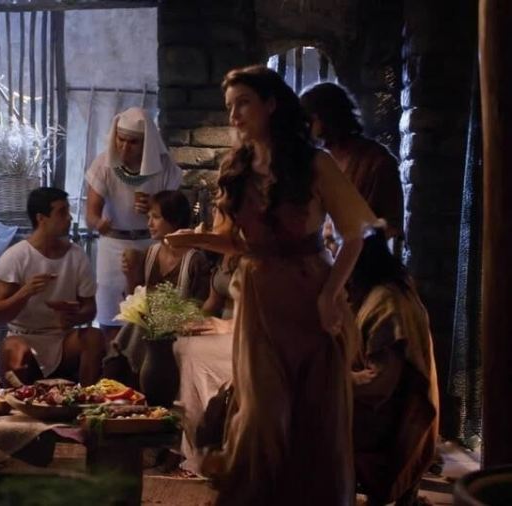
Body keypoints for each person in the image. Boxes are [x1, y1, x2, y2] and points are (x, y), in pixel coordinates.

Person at [170, 65, 376, 505]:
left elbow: (355, 235)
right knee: (262, 414)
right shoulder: (237, 168)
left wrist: (330, 294)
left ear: (271, 104)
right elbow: (236, 242)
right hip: (260, 299)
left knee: (315, 416)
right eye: (230, 107)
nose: (234, 115)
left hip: (310, 294)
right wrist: (193, 239)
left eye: (243, 103)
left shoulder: (315, 163)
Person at [348, 228, 439, 506]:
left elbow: (379, 384)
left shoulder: (387, 302)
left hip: (389, 424)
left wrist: (329, 379)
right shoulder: (380, 292)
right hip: (384, 412)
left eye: (333, 245)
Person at [85, 107, 183, 345]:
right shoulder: (104, 164)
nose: (124, 147)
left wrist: (154, 205)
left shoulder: (164, 166)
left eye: (133, 142)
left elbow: (175, 209)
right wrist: (99, 223)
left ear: (147, 143)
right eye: (121, 139)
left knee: (149, 317)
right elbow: (91, 213)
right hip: (113, 245)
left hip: (152, 245)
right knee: (111, 315)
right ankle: (113, 364)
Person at [0, 187, 104, 386]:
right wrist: (25, 292)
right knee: (13, 349)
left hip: (62, 339)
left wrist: (73, 317)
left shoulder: (77, 256)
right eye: (62, 212)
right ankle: (18, 401)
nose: (69, 218)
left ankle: (87, 398)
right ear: (41, 218)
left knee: (94, 337)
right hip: (23, 336)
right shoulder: (16, 257)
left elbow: (90, 309)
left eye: (68, 211)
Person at [102, 190, 210, 387]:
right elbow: (135, 298)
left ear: (174, 220)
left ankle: (117, 380)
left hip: (181, 328)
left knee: (138, 329)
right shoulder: (150, 254)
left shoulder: (195, 260)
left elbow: (200, 308)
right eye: (149, 217)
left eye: (156, 217)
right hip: (148, 326)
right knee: (138, 325)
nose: (149, 223)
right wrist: (130, 274)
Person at [300, 82, 404, 251]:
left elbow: (391, 225)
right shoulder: (317, 161)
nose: (306, 129)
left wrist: (352, 243)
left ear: (326, 117)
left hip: (363, 259)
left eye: (310, 120)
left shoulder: (376, 161)